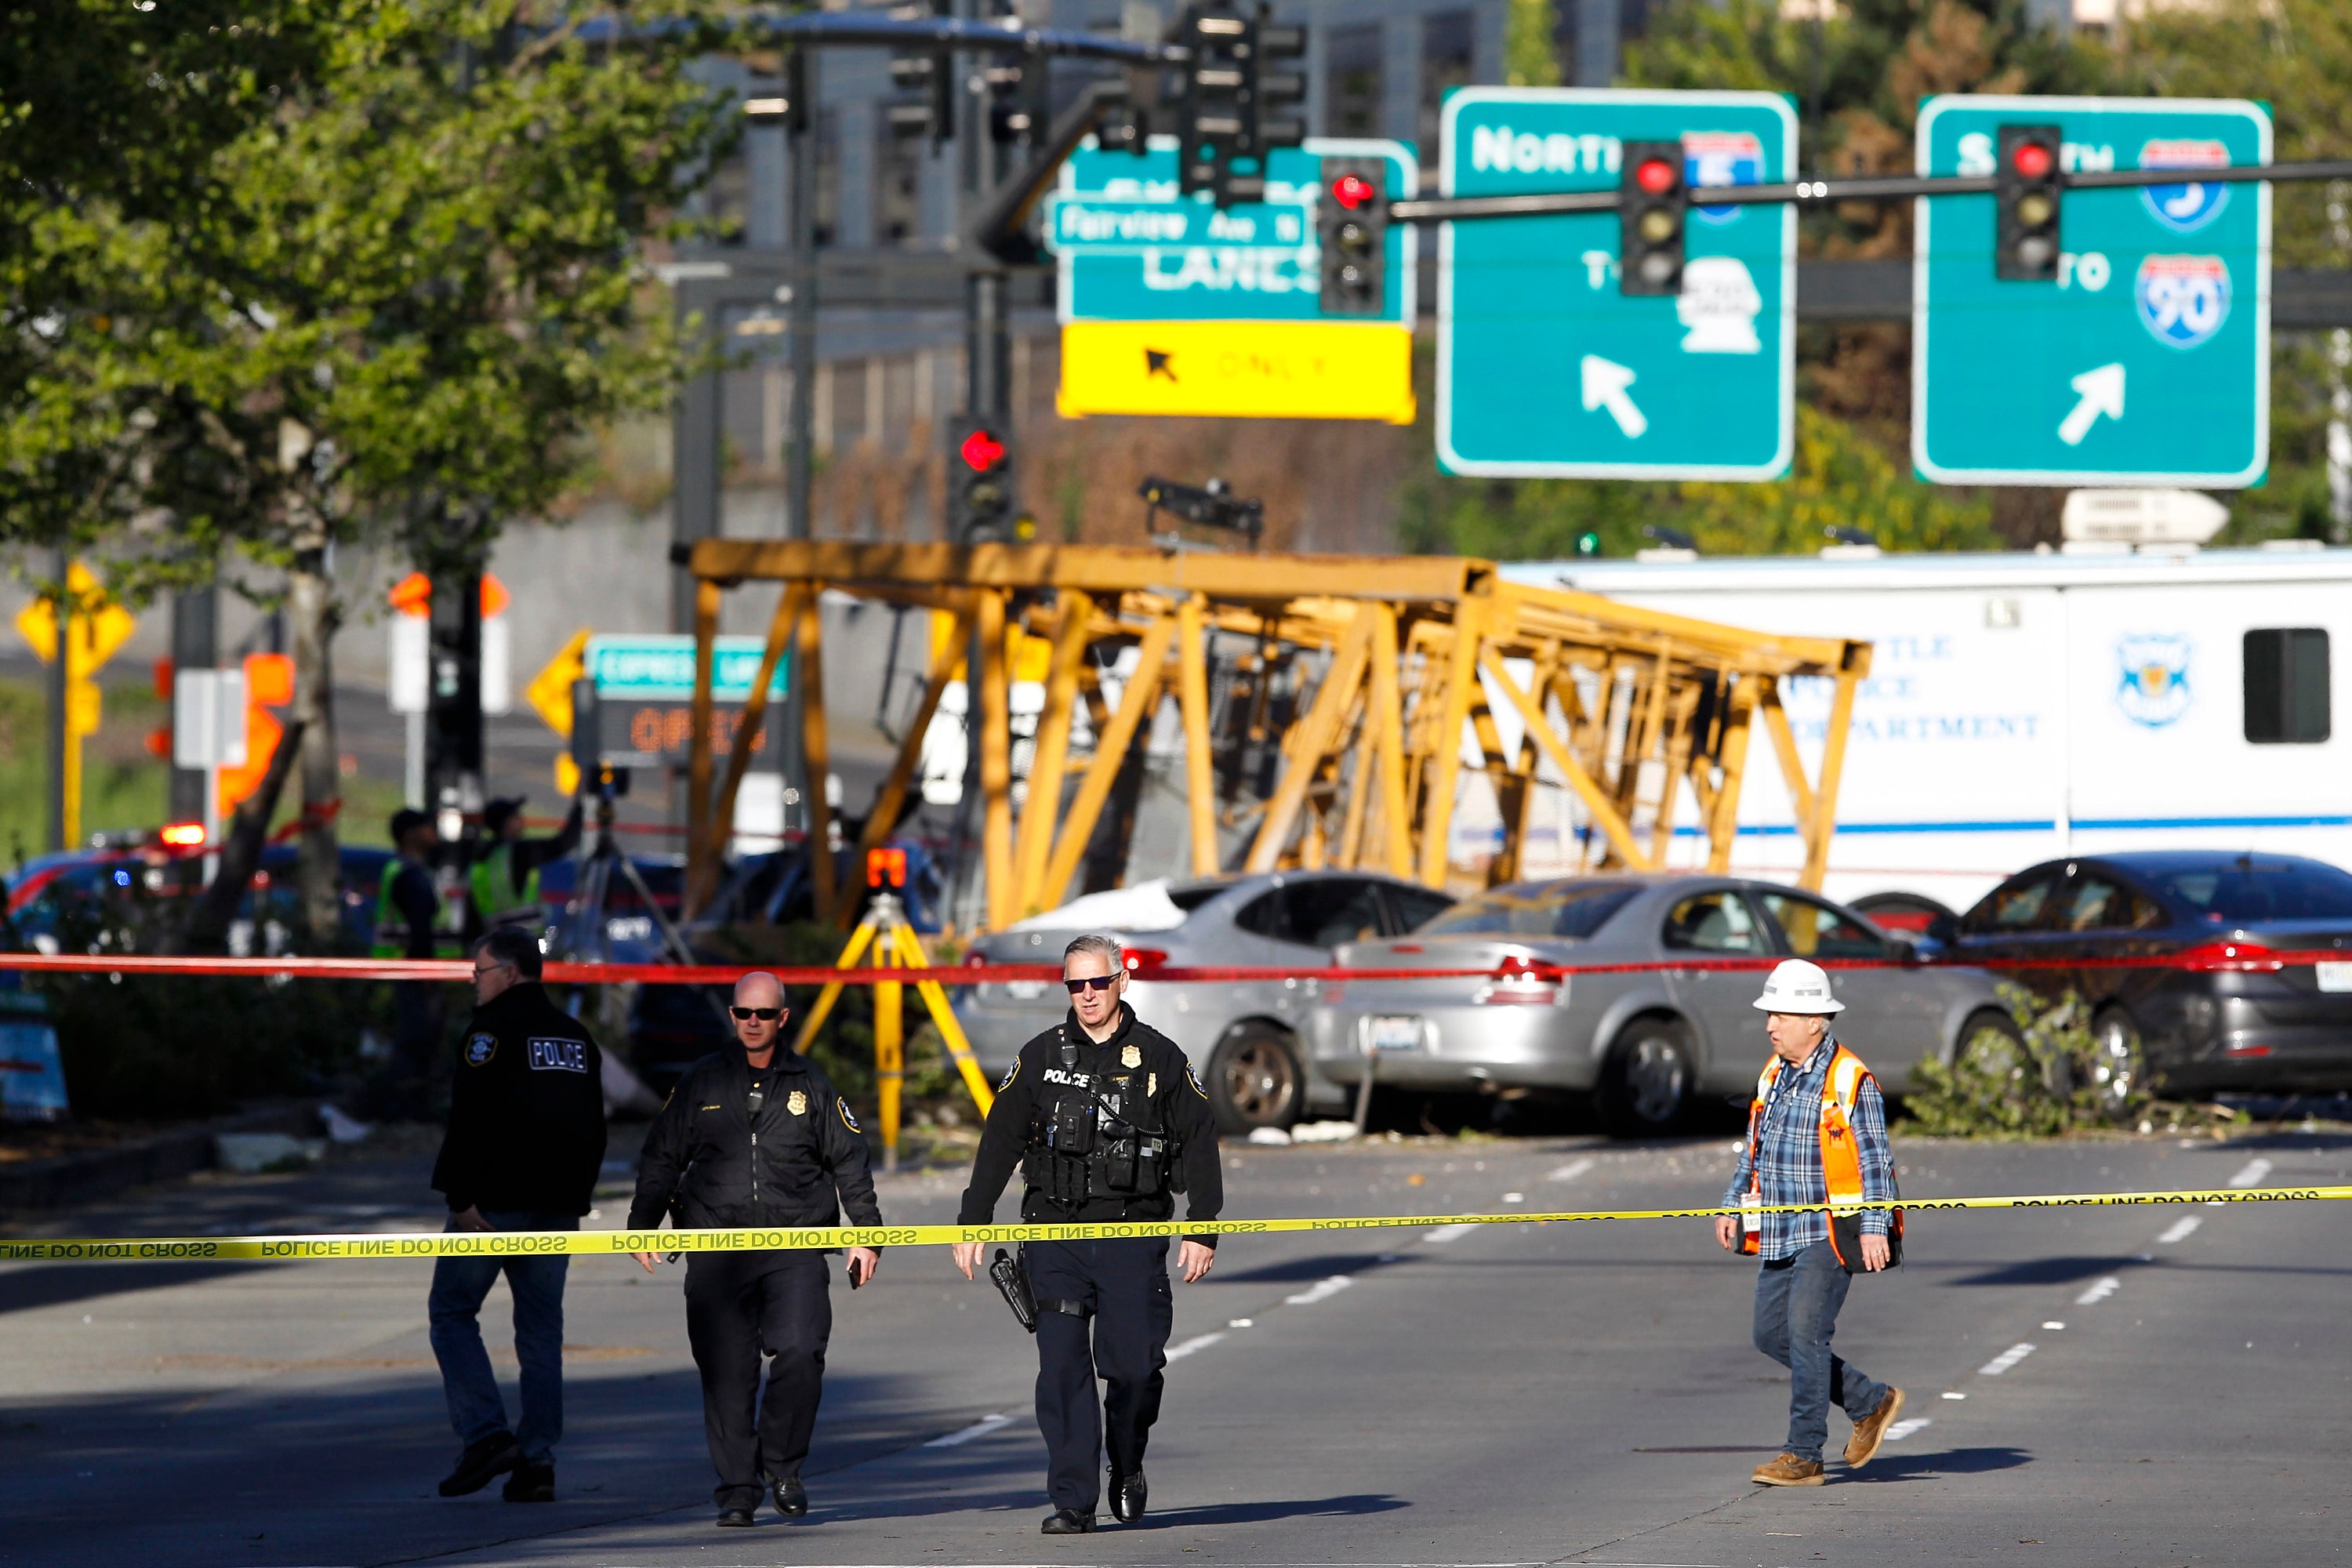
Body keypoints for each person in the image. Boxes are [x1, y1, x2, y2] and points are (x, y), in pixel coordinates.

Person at [951, 934, 1223, 1534]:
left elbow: (1200, 1138)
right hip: (1055, 1232)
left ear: (1121, 980)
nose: (1087, 995)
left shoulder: (1160, 1058)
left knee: (1132, 1368)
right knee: (1062, 1368)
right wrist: (974, 1218)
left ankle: (1126, 1464)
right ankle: (1073, 1500)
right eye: (1075, 985)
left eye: (1098, 982)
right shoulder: (1041, 1054)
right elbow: (1000, 1138)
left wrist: (1203, 1227)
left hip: (1132, 1233)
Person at [628, 971, 883, 1529]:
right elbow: (661, 1157)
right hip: (717, 1249)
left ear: (782, 1019)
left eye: (763, 1015)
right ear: (732, 1015)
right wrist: (642, 1224)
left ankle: (784, 1467)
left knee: (800, 1353)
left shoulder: (812, 1084)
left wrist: (865, 1230)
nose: (752, 1023)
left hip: (796, 1246)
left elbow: (849, 1161)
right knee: (727, 1372)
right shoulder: (702, 1082)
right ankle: (737, 1491)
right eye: (743, 1013)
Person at [426, 926, 608, 1502]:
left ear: (507, 972)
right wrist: (577, 1195)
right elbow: (594, 1128)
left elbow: (471, 1118)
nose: (473, 982)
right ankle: (537, 1463)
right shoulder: (575, 1037)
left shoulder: (491, 1032)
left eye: (479, 972)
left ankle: (486, 1436)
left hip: (493, 1205)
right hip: (558, 1206)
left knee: (452, 1312)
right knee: (540, 1333)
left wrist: (460, 1195)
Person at [1714, 958, 1907, 1487]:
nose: (1770, 1024)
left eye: (1781, 1014)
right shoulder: (1773, 1073)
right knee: (1770, 1336)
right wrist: (1734, 1201)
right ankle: (1871, 1401)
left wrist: (1873, 1225)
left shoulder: (1850, 1079)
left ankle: (1804, 1455)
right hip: (1779, 1228)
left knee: (1805, 1334)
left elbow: (1875, 1161)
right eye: (1771, 1014)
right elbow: (1753, 1148)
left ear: (1815, 1021)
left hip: (1828, 1232)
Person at [374, 808, 456, 1116]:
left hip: (408, 970)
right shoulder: (409, 875)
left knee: (418, 1038)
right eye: (427, 827)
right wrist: (427, 974)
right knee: (416, 1038)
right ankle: (404, 1106)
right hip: (412, 972)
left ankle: (409, 1103)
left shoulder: (408, 871)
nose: (433, 832)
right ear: (411, 835)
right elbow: (420, 929)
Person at [469, 796, 582, 936]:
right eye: (516, 816)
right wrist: (579, 805)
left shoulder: (481, 859)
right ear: (505, 823)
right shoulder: (518, 852)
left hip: (495, 939)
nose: (522, 819)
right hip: (524, 939)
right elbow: (564, 843)